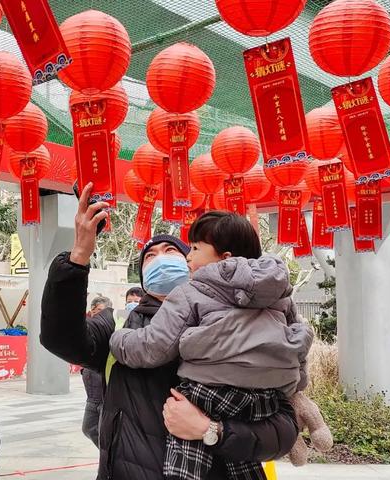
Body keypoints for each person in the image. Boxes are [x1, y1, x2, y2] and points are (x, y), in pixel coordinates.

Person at [40, 183, 299, 480]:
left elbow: (284, 427)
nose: (161, 258)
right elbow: (60, 339)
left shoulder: (249, 320)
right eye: (150, 256)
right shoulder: (122, 324)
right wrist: (78, 257)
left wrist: (211, 431)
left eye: (172, 250)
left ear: (198, 262)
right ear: (142, 276)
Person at [110, 211, 314, 480]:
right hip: (266, 397)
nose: (188, 257)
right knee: (246, 461)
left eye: (194, 248)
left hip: (206, 392)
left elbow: (154, 347)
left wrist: (117, 338)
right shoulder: (279, 293)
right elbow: (298, 342)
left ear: (225, 259)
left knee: (185, 453)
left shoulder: (192, 291)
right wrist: (295, 383)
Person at [82, 296, 113, 447]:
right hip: (91, 395)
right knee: (88, 428)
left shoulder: (113, 330)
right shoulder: (88, 329)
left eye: (102, 311)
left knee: (104, 431)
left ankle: (108, 457)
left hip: (104, 394)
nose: (98, 314)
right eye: (96, 311)